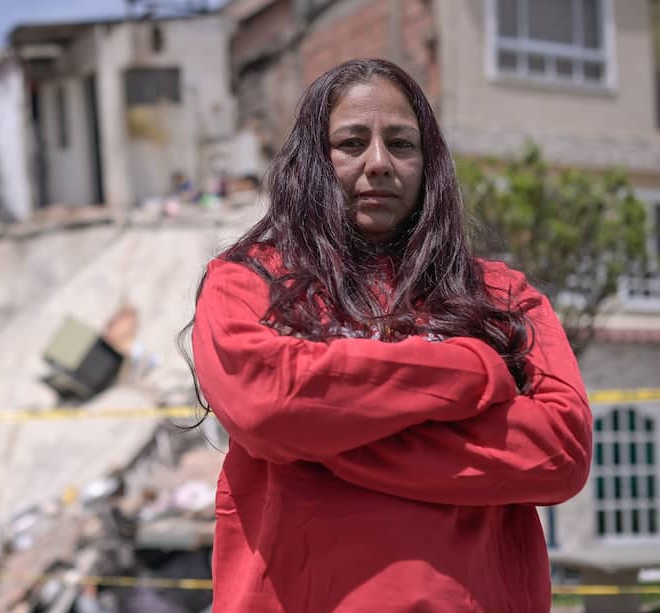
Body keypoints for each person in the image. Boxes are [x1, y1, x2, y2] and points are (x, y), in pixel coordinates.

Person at [187, 58, 592, 612]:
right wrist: (469, 369)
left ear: (429, 165)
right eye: (352, 142)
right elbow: (268, 404)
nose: (378, 163)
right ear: (313, 160)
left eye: (401, 144)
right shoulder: (246, 281)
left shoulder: (502, 297)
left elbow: (560, 452)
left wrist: (324, 438)